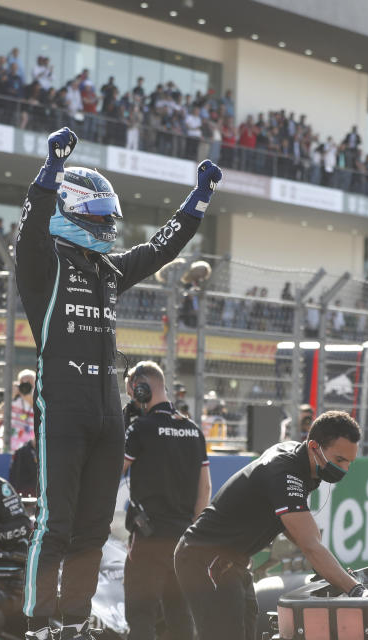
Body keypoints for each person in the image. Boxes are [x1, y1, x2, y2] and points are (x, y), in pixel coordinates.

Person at [15, 126, 221, 640]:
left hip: (110, 415)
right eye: (99, 217)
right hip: (62, 409)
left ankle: (72, 620)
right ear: (73, 212)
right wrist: (50, 171)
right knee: (55, 524)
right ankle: (38, 623)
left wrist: (198, 198)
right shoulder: (44, 265)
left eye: (110, 217)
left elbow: (160, 249)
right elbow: (30, 229)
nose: (108, 225)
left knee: (92, 530)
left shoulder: (108, 271)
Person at [175, 411, 365, 640]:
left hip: (233, 561)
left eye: (350, 462)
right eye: (340, 460)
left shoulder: (303, 461)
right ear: (314, 446)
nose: (345, 469)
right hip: (204, 558)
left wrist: (325, 567)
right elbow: (310, 544)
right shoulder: (285, 471)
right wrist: (356, 590)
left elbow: (303, 531)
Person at [122, 361, 210, 640]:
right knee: (179, 614)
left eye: (132, 393)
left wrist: (122, 426)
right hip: (183, 538)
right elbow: (205, 488)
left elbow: (112, 471)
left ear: (141, 389)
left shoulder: (140, 428)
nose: (133, 400)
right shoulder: (194, 430)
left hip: (148, 537)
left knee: (140, 615)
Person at [9, 369, 35, 452]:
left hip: (32, 443)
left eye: (29, 382)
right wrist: (10, 397)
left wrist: (27, 397)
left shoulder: (41, 398)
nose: (26, 385)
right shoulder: (15, 398)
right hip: (13, 440)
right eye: (24, 382)